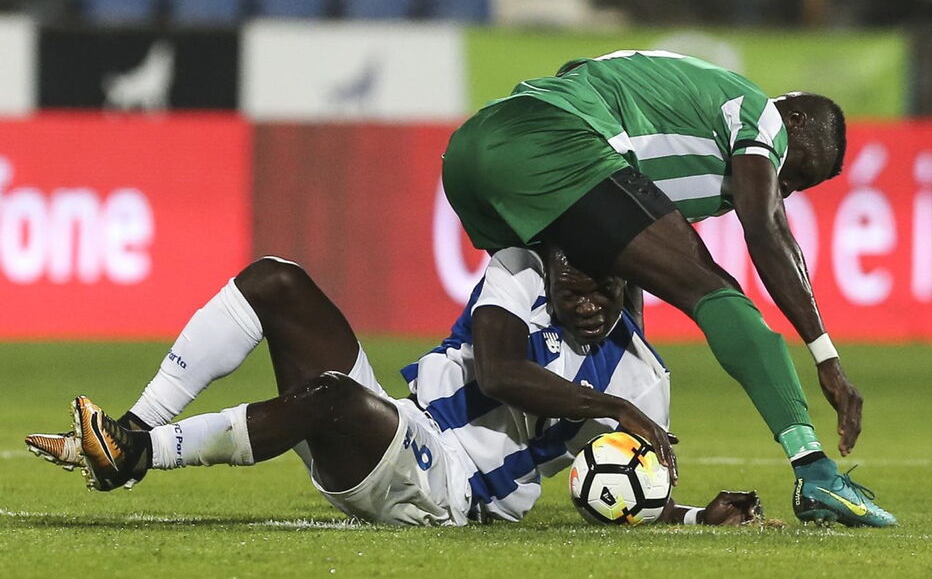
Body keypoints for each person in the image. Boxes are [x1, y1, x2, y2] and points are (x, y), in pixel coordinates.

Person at [441, 49, 895, 526]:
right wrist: (826, 359)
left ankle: (464, 456)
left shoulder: (679, 144)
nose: (787, 188)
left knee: (535, 324)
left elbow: (576, 71)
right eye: (797, 171)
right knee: (715, 291)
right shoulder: (759, 114)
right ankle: (814, 469)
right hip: (545, 137)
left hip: (469, 156)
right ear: (794, 120)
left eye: (800, 187)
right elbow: (765, 229)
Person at [26, 253, 761, 527]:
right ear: (554, 264)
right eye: (576, 283)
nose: (591, 299)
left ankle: (137, 453)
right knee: (276, 280)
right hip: (402, 422)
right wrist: (609, 407)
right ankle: (129, 428)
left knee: (335, 396)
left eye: (608, 288)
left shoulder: (643, 380)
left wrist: (700, 517)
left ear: (630, 284)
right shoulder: (515, 273)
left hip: (447, 490)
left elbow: (628, 491)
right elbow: (504, 372)